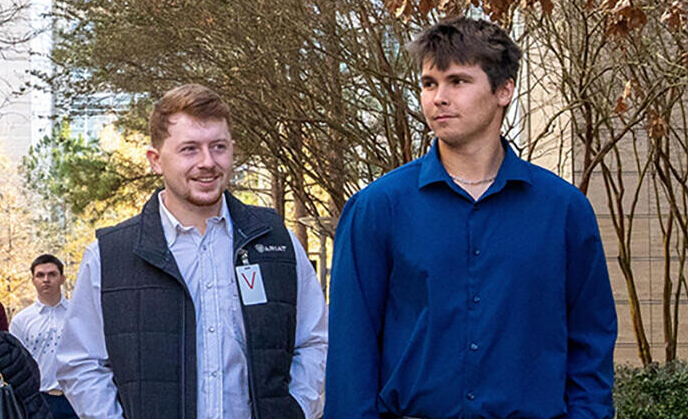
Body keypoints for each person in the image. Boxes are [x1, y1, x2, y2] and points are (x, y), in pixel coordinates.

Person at [326, 21, 614, 419]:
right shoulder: (377, 209)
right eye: (429, 83)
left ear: (504, 90)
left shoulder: (564, 211)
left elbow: (591, 343)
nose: (438, 98)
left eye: (458, 81)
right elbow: (350, 352)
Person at [63, 84, 327, 419]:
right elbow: (81, 363)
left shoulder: (276, 243)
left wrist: (297, 411)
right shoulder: (109, 256)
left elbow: (315, 343)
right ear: (155, 161)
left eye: (218, 147)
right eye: (189, 149)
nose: (208, 162)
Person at [7, 255, 79, 419]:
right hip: (38, 399)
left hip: (76, 397)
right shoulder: (21, 320)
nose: (46, 279)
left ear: (62, 278)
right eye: (40, 275)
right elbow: (16, 364)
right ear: (33, 280)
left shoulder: (78, 315)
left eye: (52, 274)